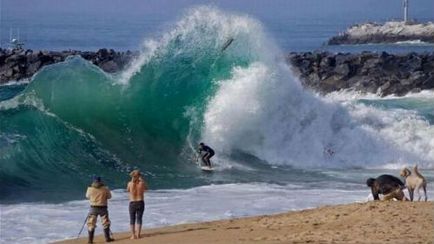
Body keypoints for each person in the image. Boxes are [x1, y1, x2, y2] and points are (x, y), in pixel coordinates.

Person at [85, 176, 115, 243]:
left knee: (91, 224)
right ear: (100, 181)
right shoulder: (105, 188)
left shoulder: (90, 188)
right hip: (103, 207)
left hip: (93, 208)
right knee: (105, 223)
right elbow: (109, 197)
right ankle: (107, 238)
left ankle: (90, 240)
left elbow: (87, 196)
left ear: (93, 181)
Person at [126, 170, 148, 239]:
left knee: (132, 219)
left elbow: (128, 190)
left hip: (132, 202)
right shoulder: (142, 183)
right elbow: (146, 189)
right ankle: (138, 234)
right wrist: (142, 180)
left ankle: (133, 235)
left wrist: (132, 181)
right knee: (139, 219)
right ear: (139, 176)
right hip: (140, 202)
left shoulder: (129, 183)